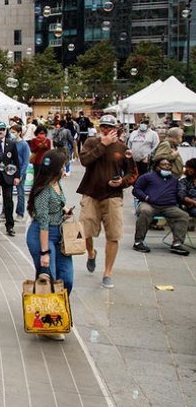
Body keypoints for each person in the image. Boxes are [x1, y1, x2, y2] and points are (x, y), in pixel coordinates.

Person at [77, 114, 137, 289]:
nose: (105, 130)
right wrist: (102, 145)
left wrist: (122, 182)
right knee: (85, 231)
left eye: (109, 127)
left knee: (113, 234)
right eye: (103, 126)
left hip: (112, 195)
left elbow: (132, 172)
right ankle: (91, 253)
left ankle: (107, 272)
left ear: (116, 129)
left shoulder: (122, 148)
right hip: (91, 192)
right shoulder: (91, 143)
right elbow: (85, 160)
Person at [26, 150, 74, 341]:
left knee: (67, 278)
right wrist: (44, 252)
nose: (65, 168)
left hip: (59, 235)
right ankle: (46, 323)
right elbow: (43, 222)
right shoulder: (43, 191)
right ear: (56, 167)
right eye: (63, 164)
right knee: (49, 277)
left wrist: (64, 211)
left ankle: (57, 313)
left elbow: (57, 204)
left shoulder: (57, 183)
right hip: (42, 236)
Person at [132, 158, 191, 256]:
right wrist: (145, 197)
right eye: (164, 164)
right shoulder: (147, 177)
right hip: (149, 204)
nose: (167, 167)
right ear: (157, 166)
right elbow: (136, 190)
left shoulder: (174, 180)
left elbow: (180, 193)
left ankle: (177, 244)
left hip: (169, 206)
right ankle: (138, 242)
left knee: (182, 215)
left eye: (169, 165)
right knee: (145, 211)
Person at [11, 124, 31, 220]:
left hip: (20, 172)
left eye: (14, 132)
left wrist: (21, 174)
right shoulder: (11, 143)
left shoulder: (24, 145)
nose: (12, 134)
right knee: (8, 193)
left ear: (19, 133)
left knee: (20, 193)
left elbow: (26, 161)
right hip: (10, 170)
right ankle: (5, 211)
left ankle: (20, 213)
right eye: (11, 132)